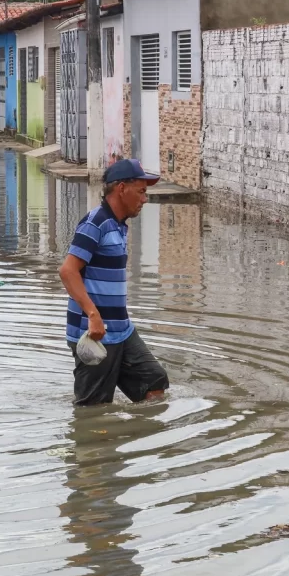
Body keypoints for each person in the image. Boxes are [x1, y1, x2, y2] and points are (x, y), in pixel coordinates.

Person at [59, 159, 169, 406]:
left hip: (121, 330)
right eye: (141, 191)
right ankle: (94, 442)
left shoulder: (118, 226)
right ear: (121, 188)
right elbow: (68, 271)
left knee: (154, 381)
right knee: (93, 408)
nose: (144, 199)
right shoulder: (94, 223)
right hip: (95, 333)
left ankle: (134, 437)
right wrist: (93, 315)